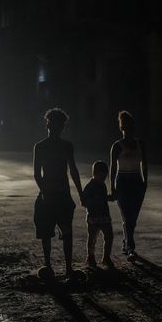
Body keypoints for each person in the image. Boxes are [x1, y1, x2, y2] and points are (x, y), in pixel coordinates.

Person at [33, 108, 84, 278]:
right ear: (62, 127)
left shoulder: (40, 146)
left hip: (50, 195)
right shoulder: (65, 146)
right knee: (66, 232)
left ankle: (49, 267)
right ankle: (67, 268)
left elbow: (37, 174)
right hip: (61, 195)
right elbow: (74, 171)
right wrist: (80, 194)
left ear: (48, 125)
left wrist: (44, 191)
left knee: (47, 234)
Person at [110, 110, 148, 261]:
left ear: (133, 127)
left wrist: (145, 182)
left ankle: (126, 243)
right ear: (121, 129)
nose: (127, 130)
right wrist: (112, 187)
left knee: (133, 216)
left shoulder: (140, 144)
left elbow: (145, 164)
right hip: (123, 182)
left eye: (129, 127)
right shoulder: (117, 146)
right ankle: (130, 248)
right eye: (125, 127)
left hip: (137, 181)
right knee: (127, 216)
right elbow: (113, 168)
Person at [81, 160, 116, 268]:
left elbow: (103, 198)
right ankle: (90, 256)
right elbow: (84, 202)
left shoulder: (102, 185)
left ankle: (106, 257)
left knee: (109, 237)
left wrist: (108, 198)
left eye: (104, 176)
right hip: (93, 217)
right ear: (95, 174)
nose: (103, 178)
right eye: (101, 176)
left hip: (104, 216)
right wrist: (100, 199)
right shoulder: (90, 186)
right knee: (92, 238)